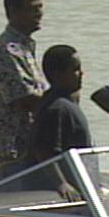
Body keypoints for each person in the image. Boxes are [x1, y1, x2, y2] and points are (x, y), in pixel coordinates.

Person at [0, 0, 48, 176]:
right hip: (9, 154)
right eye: (32, 9)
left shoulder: (24, 47)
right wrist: (63, 102)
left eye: (40, 8)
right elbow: (25, 100)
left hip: (26, 150)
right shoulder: (7, 50)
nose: (39, 14)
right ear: (13, 12)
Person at [28, 44, 92, 200]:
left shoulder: (66, 102)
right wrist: (61, 184)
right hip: (67, 192)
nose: (81, 73)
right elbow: (43, 149)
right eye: (75, 69)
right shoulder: (56, 108)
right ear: (58, 75)